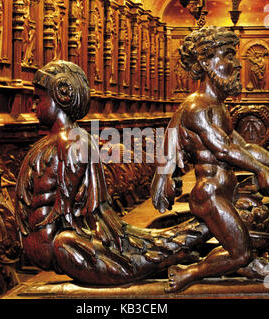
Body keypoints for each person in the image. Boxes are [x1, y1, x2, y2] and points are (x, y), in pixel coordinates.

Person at [16, 60, 210, 286]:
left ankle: (162, 259)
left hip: (59, 244)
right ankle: (170, 253)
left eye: (38, 99)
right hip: (48, 244)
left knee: (72, 245)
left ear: (62, 96)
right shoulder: (64, 140)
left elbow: (69, 214)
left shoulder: (73, 141)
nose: (32, 107)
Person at [151, 26, 269, 293]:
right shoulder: (197, 107)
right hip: (209, 195)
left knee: (245, 248)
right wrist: (262, 171)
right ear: (206, 62)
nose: (238, 63)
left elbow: (246, 147)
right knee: (241, 253)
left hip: (225, 192)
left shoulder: (219, 107)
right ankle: (189, 274)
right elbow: (224, 150)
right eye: (228, 54)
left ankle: (229, 271)